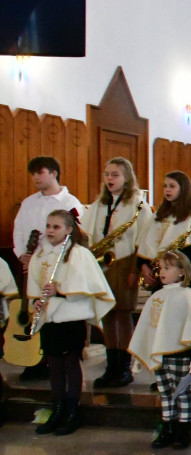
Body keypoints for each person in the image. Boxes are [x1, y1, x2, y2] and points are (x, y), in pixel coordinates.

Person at [29, 210, 114, 436]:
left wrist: (60, 290)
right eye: (48, 226)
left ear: (68, 230)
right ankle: (58, 408)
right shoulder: (41, 255)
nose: (50, 231)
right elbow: (36, 284)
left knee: (70, 362)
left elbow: (86, 284)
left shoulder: (78, 254)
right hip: (50, 317)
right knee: (53, 364)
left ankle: (73, 410)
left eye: (56, 227)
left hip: (71, 316)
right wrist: (37, 302)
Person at [81, 157, 154, 388]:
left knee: (123, 314)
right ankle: (111, 365)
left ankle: (124, 366)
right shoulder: (99, 204)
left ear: (127, 177)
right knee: (106, 314)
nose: (109, 179)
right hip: (101, 265)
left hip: (124, 263)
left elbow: (144, 239)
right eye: (106, 174)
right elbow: (87, 232)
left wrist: (135, 269)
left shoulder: (137, 204)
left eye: (115, 174)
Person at [12, 156, 84, 381]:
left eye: (40, 173)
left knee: (53, 311)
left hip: (57, 266)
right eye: (33, 174)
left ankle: (51, 358)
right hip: (31, 264)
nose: (35, 177)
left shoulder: (69, 201)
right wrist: (22, 254)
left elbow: (78, 235)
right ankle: (33, 358)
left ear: (54, 173)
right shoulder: (28, 203)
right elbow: (20, 231)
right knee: (34, 307)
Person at [127, 250, 191, 450]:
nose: (161, 272)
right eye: (161, 268)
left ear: (182, 272)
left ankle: (183, 430)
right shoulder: (156, 297)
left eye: (167, 268)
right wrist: (140, 353)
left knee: (181, 392)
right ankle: (167, 427)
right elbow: (148, 327)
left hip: (181, 354)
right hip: (160, 354)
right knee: (165, 392)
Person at [138, 171, 191, 291]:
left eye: (172, 186)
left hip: (183, 282)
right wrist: (144, 265)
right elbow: (146, 244)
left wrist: (187, 277)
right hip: (160, 277)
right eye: (165, 186)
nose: (167, 190)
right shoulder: (158, 215)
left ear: (183, 188)